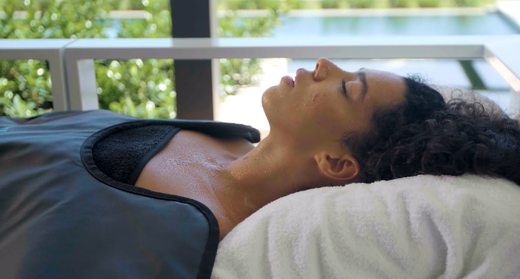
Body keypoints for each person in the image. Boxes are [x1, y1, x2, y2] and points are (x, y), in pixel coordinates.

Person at [1, 57, 519, 278]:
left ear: (336, 162)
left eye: (345, 86)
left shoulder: (185, 237)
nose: (321, 66)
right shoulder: (229, 135)